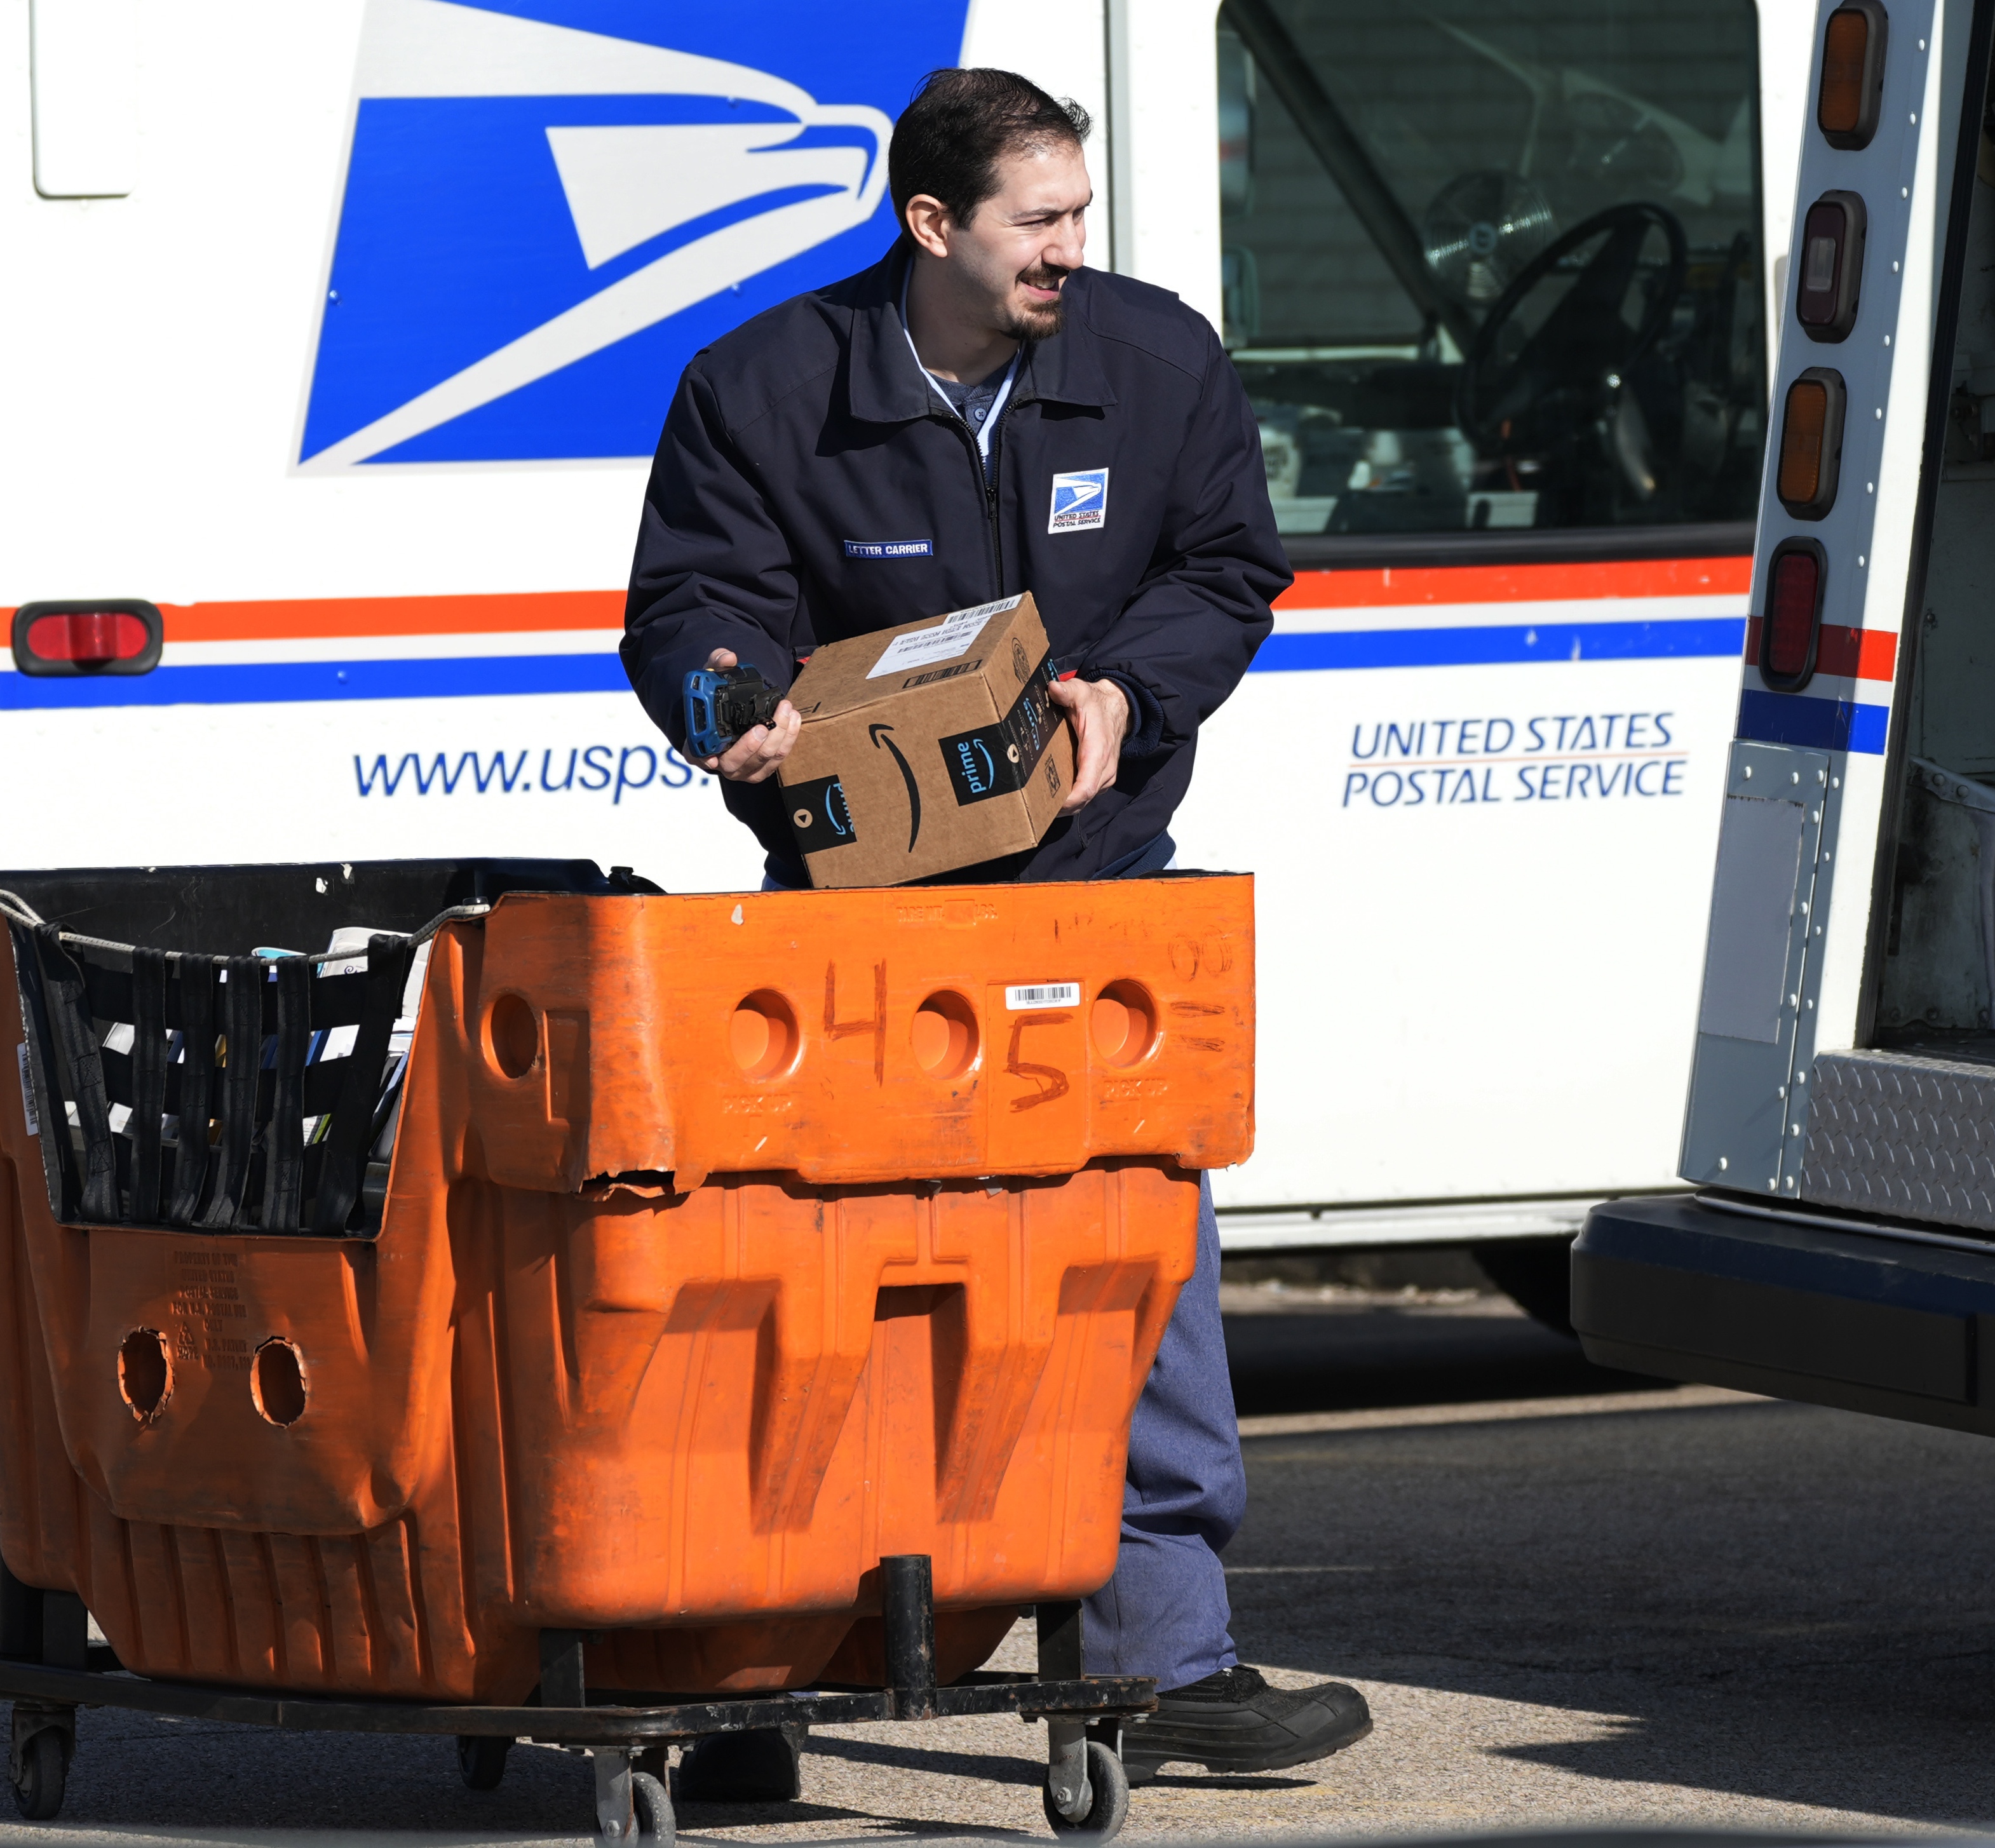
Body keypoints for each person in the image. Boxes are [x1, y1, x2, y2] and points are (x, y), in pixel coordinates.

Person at [619, 67, 1372, 1797]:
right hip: (859, 928)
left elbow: (1228, 568)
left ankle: (1166, 1664)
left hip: (1095, 898)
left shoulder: (1154, 358)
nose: (1067, 250)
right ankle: (769, 1681)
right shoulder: (766, 390)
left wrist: (1132, 685)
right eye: (1036, 221)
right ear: (932, 225)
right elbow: (693, 605)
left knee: (1132, 1264)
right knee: (833, 1296)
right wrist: (729, 702)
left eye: (1079, 215)